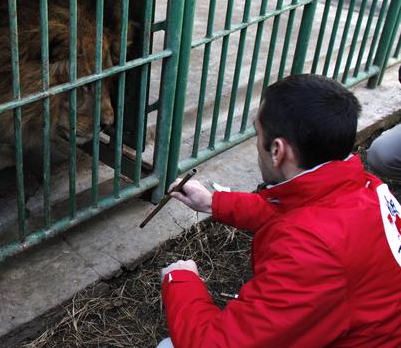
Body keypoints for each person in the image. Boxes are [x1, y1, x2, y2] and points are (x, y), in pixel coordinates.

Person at [159, 74, 401, 347]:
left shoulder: (309, 255)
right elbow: (295, 210)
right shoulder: (365, 188)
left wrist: (180, 280)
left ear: (277, 150)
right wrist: (213, 203)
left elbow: (213, 343)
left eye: (257, 134)